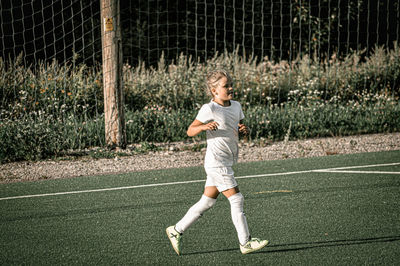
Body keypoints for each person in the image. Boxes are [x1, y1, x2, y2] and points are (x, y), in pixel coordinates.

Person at [166, 69, 268, 255]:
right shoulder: (209, 108)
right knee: (237, 199)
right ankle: (245, 242)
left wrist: (244, 129)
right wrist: (204, 126)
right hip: (216, 163)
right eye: (225, 86)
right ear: (214, 91)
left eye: (231, 84)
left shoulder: (236, 106)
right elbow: (190, 130)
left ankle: (176, 230)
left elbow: (237, 126)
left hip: (226, 161)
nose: (230, 88)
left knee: (207, 202)